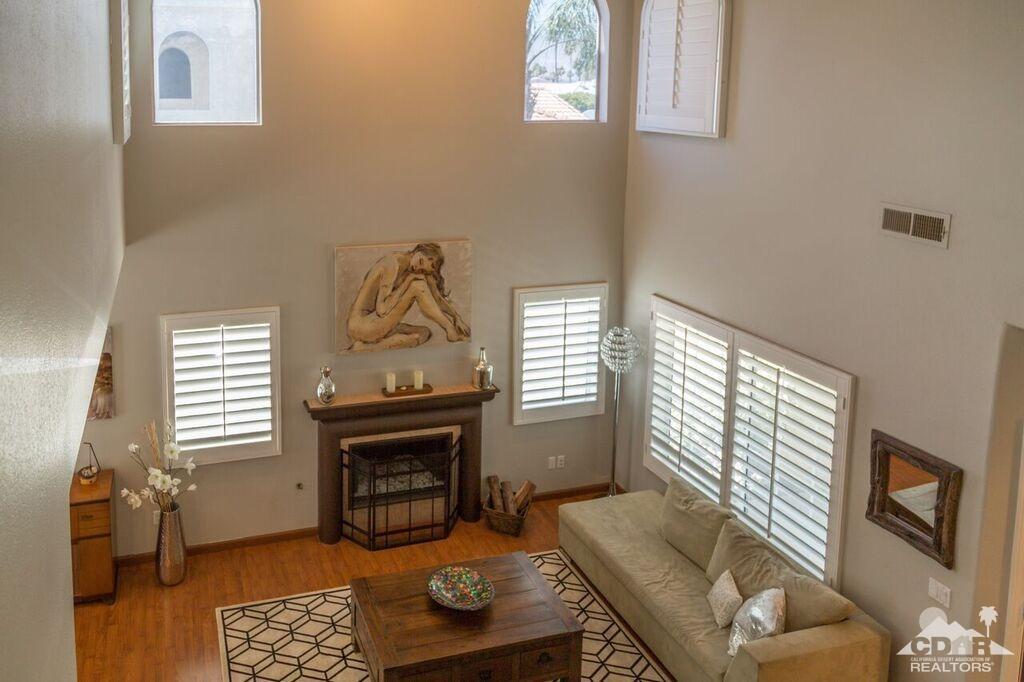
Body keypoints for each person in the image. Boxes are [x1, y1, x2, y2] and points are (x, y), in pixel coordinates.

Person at [345, 243, 471, 352]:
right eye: (420, 261)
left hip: (375, 323)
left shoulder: (416, 269)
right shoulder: (393, 264)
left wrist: (456, 317)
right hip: (361, 325)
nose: (417, 268)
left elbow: (437, 299)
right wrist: (407, 281)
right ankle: (448, 328)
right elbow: (382, 310)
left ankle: (364, 348)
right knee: (417, 285)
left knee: (423, 333)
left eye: (423, 270)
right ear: (417, 250)